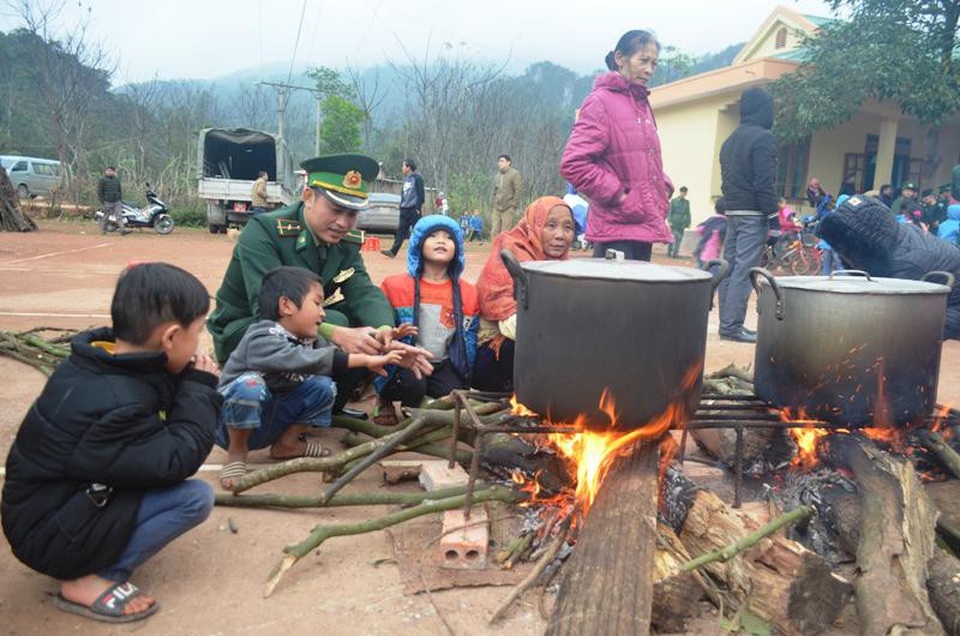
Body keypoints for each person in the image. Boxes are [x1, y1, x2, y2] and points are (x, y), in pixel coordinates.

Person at [2, 263, 221, 624]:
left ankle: (93, 549)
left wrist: (186, 377)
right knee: (193, 499)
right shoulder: (118, 405)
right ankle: (90, 579)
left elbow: (153, 391)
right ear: (170, 337)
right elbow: (174, 461)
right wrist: (198, 389)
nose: (199, 343)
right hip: (48, 535)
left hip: (49, 508)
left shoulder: (100, 361)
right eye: (197, 332)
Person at [208, 153, 422, 412]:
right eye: (335, 210)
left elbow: (363, 290)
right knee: (340, 324)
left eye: (352, 213)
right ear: (308, 197)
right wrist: (337, 333)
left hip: (304, 324)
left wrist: (383, 330)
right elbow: (268, 310)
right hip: (249, 331)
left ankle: (329, 409)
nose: (343, 223)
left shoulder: (345, 243)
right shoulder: (265, 232)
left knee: (368, 326)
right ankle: (289, 409)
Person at [216, 266, 413, 490]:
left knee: (324, 386)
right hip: (229, 425)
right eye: (317, 303)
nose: (323, 313)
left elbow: (337, 356)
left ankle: (287, 444)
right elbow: (304, 359)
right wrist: (364, 360)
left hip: (269, 419)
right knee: (249, 385)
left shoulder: (310, 340)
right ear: (286, 305)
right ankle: (237, 453)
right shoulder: (261, 336)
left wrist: (384, 349)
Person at [560, 29, 674, 261]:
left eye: (654, 63)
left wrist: (662, 185)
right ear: (620, 58)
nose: (649, 70)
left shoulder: (642, 105)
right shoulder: (600, 102)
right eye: (643, 61)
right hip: (615, 228)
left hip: (643, 226)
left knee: (643, 286)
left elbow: (636, 159)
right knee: (614, 287)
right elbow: (574, 163)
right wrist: (619, 195)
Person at [374, 216, 479, 425]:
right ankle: (384, 397)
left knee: (454, 396)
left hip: (442, 363)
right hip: (404, 360)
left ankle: (420, 405)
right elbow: (379, 330)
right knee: (413, 387)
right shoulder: (394, 286)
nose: (441, 241)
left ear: (457, 248)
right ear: (418, 243)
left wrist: (465, 374)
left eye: (449, 237)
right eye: (433, 236)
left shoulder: (468, 293)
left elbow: (469, 339)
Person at [819, 194, 960, 339]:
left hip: (951, 307)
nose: (841, 255)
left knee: (909, 339)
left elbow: (891, 315)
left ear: (863, 245)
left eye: (844, 251)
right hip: (928, 294)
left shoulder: (904, 266)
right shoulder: (888, 237)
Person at [474, 196, 576, 392]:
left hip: (535, 349)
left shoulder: (561, 265)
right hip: (492, 358)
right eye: (551, 225)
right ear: (534, 225)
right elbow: (513, 326)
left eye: (568, 228)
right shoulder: (511, 251)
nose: (560, 235)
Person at [717, 87, 778, 343]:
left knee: (729, 270)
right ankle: (732, 327)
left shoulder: (730, 140)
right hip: (753, 214)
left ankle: (726, 324)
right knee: (744, 271)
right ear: (764, 110)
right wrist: (773, 218)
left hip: (732, 212)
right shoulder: (763, 138)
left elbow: (727, 181)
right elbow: (764, 182)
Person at [382, 158, 425, 258]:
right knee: (400, 231)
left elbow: (421, 195)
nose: (402, 168)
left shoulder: (417, 178)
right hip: (404, 209)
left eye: (403, 166)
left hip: (413, 209)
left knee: (418, 231)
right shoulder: (406, 179)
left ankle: (423, 252)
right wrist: (401, 205)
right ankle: (393, 252)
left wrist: (418, 207)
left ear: (408, 167)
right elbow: (404, 194)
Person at [491, 154, 522, 237]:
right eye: (499, 161)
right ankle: (494, 245)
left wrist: (513, 206)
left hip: (508, 208)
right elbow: (494, 191)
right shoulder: (497, 176)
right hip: (497, 208)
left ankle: (505, 246)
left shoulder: (514, 174)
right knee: (494, 232)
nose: (499, 163)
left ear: (508, 163)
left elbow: (518, 190)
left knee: (505, 232)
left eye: (502, 161)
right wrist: (493, 202)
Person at [693, 196, 727, 270]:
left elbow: (699, 229)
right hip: (712, 254)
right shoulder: (725, 223)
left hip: (701, 251)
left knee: (699, 272)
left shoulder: (711, 219)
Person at [97, 166, 129, 235]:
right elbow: (100, 192)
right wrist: (102, 201)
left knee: (119, 216)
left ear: (114, 172)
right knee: (106, 216)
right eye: (107, 171)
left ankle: (122, 230)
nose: (109, 172)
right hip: (107, 201)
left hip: (117, 201)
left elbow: (119, 190)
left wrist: (120, 199)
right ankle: (103, 230)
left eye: (110, 171)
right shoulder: (102, 180)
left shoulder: (116, 180)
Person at [668, 186, 691, 258]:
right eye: (683, 192)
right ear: (680, 192)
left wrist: (689, 223)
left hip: (682, 224)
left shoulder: (686, 202)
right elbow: (670, 212)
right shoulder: (673, 201)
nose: (684, 194)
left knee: (679, 238)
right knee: (673, 238)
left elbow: (688, 213)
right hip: (674, 222)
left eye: (685, 193)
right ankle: (670, 251)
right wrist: (669, 221)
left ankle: (675, 253)